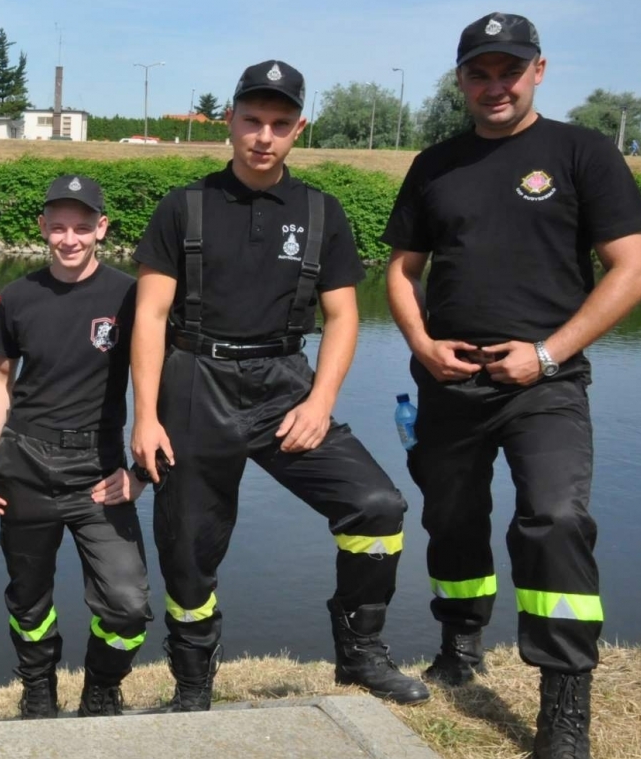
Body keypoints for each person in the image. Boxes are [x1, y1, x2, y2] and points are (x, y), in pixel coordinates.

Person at [383, 13, 641, 759]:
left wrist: (545, 353)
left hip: (547, 382)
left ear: (539, 71)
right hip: (450, 382)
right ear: (462, 79)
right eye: (479, 72)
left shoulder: (582, 152)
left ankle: (562, 723)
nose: (494, 86)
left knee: (556, 521)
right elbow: (400, 270)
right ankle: (460, 648)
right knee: (453, 518)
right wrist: (423, 341)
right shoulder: (436, 164)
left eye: (510, 70)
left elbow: (634, 270)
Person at [131, 59, 429, 714]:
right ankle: (192, 684)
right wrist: (145, 416)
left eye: (280, 124)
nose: (264, 136)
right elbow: (151, 315)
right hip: (194, 385)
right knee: (188, 548)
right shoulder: (184, 208)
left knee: (376, 504)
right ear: (231, 123)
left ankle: (360, 654)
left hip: (283, 387)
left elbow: (345, 316)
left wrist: (320, 402)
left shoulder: (322, 213)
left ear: (299, 129)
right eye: (252, 121)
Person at [0, 175, 147, 719]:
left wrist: (142, 473)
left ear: (101, 228)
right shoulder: (19, 296)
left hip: (99, 469)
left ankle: (101, 686)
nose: (69, 238)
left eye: (81, 227)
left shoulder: (131, 295)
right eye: (58, 227)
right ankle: (39, 689)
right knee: (28, 598)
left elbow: (158, 387)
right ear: (43, 228)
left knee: (128, 603)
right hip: (24, 463)